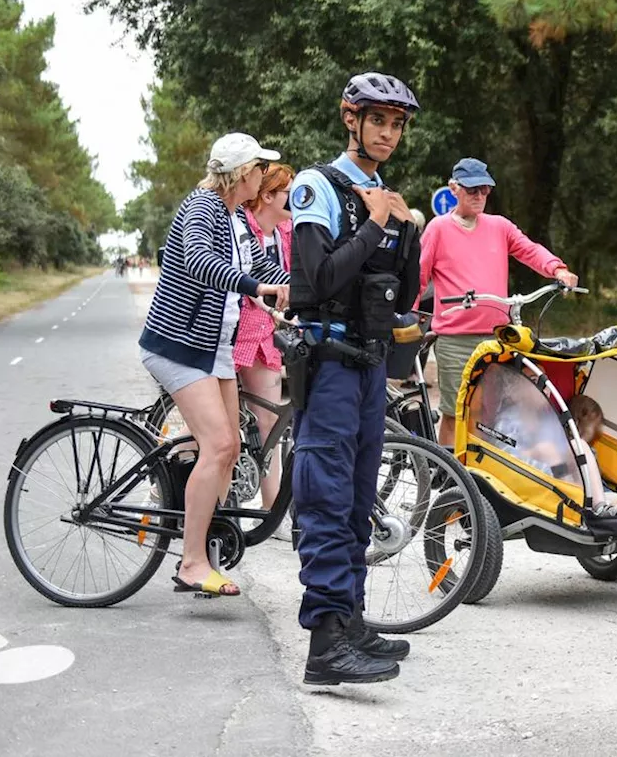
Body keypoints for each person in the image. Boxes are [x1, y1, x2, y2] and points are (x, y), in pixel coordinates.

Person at [287, 72, 423, 686]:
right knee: (326, 497)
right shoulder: (318, 186)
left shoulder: (383, 193)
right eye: (379, 121)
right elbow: (317, 281)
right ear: (351, 119)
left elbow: (404, 294)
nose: (389, 133)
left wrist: (407, 233)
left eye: (397, 124)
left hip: (371, 368)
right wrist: (372, 225)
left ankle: (352, 622)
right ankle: (324, 644)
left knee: (359, 503)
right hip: (332, 365)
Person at [138, 132, 290, 599]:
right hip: (179, 345)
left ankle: (205, 540)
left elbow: (266, 271)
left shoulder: (237, 218)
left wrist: (310, 294)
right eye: (260, 168)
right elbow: (198, 260)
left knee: (230, 448)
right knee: (220, 445)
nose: (264, 176)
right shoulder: (202, 207)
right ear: (243, 173)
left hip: (214, 348)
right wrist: (251, 287)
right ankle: (191, 562)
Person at [418, 157, 578, 446]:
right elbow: (418, 274)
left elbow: (529, 250)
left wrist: (558, 269)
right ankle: (446, 476)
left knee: (493, 413)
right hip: (455, 338)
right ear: (454, 189)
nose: (479, 195)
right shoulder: (438, 228)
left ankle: (483, 480)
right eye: (471, 190)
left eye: (484, 189)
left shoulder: (499, 226)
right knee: (455, 412)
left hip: (497, 336)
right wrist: (411, 313)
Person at [233, 162, 295, 513]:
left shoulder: (285, 230)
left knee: (269, 421)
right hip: (234, 332)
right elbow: (244, 277)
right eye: (290, 192)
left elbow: (286, 278)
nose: (297, 199)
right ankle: (164, 484)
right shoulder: (242, 224)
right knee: (211, 429)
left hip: (264, 333)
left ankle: (272, 510)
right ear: (267, 195)